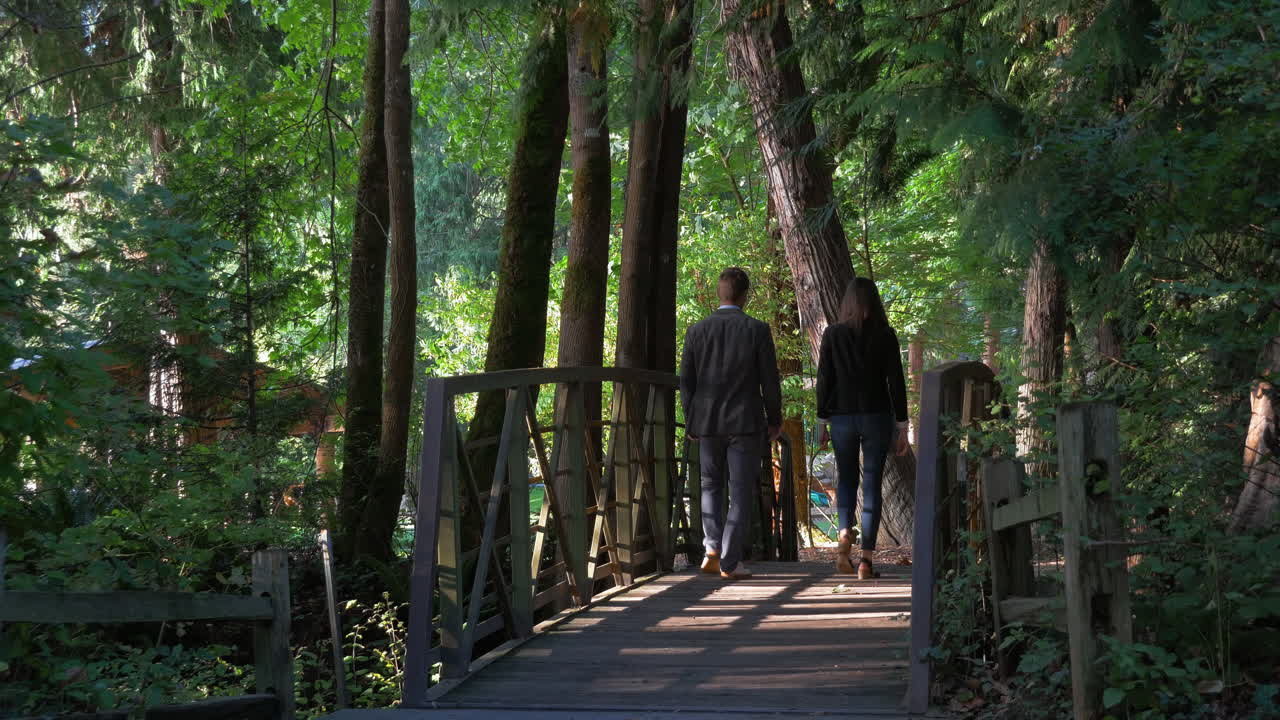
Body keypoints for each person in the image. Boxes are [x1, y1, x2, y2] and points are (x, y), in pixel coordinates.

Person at [679, 267, 783, 580]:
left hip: (708, 422)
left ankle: (712, 550)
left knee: (710, 485)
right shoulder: (757, 329)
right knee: (739, 492)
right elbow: (770, 381)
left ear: (719, 293)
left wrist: (691, 419)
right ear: (745, 295)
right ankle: (730, 561)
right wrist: (774, 419)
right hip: (745, 422)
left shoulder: (697, 330)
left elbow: (687, 381)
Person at [816, 277, 909, 580]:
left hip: (842, 419)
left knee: (846, 481)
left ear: (847, 304)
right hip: (876, 417)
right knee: (871, 486)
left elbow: (825, 380)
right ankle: (866, 561)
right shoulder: (885, 335)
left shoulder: (833, 334)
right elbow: (896, 382)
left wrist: (822, 421)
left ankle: (845, 537)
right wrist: (902, 425)